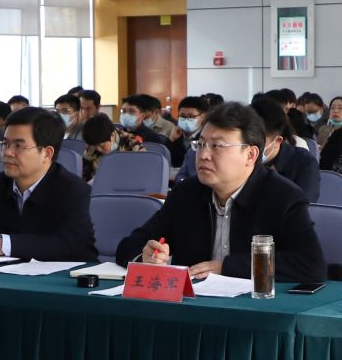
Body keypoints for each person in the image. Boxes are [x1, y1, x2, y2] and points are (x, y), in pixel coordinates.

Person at [117, 101, 326, 281]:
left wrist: (227, 267)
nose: (203, 155)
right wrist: (145, 257)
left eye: (217, 146)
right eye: (200, 145)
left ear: (250, 155)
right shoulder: (185, 194)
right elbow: (129, 246)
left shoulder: (283, 197)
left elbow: (311, 265)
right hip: (194, 305)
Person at [0, 107, 97, 263]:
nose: (7, 152)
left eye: (19, 146)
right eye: (5, 144)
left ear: (47, 154)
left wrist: (0, 246)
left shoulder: (73, 190)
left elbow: (71, 246)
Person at [252, 96, 320, 201]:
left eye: (257, 143)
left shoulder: (304, 162)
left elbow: (303, 204)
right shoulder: (238, 158)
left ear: (277, 141)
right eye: (245, 142)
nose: (251, 149)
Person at [79, 113, 118, 182]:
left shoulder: (131, 145)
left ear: (112, 136)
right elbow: (84, 178)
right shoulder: (90, 149)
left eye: (102, 145)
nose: (99, 149)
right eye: (95, 146)